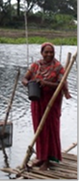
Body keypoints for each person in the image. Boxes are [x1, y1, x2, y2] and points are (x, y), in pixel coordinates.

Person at [22, 42, 71, 170]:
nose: (49, 54)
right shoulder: (35, 65)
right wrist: (30, 83)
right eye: (46, 52)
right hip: (37, 101)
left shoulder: (58, 67)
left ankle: (49, 159)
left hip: (51, 103)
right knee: (39, 129)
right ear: (41, 53)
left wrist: (46, 83)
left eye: (51, 52)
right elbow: (24, 79)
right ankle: (41, 157)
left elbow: (61, 85)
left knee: (50, 129)